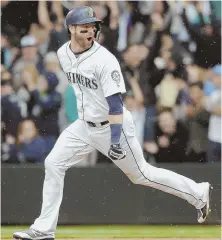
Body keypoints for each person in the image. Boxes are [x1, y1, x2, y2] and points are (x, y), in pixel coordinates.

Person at [13, 6, 212, 240]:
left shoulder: (105, 61)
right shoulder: (62, 54)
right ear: (71, 29)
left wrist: (116, 138)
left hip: (112, 126)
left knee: (142, 175)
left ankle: (197, 193)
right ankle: (44, 230)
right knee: (54, 163)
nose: (90, 32)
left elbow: (116, 106)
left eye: (93, 27)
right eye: (84, 27)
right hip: (84, 125)